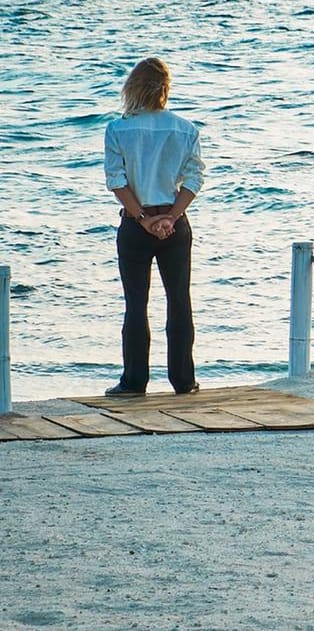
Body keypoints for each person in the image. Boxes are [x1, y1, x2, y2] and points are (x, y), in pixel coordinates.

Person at [103, 57, 205, 396]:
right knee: (179, 301)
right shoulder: (184, 128)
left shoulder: (118, 129)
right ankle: (184, 381)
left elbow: (117, 181)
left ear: (134, 86)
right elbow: (194, 179)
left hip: (136, 223)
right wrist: (172, 217)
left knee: (136, 303)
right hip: (174, 224)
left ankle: (134, 382)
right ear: (165, 89)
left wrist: (144, 219)